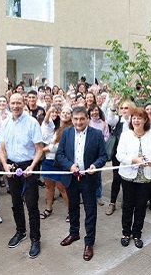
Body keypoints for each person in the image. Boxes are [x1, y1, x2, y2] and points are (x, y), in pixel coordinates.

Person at [55, 106, 108, 261]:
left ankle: (89, 242)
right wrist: (69, 166)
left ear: (87, 119)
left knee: (90, 211)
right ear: (72, 119)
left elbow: (103, 156)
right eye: (76, 119)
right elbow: (60, 154)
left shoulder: (96, 134)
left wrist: (95, 165)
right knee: (72, 207)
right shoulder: (66, 133)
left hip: (89, 180)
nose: (78, 122)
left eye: (82, 119)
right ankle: (74, 233)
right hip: (71, 178)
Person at [0, 93, 44, 259]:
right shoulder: (5, 123)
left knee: (31, 204)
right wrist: (5, 165)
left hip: (29, 167)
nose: (16, 106)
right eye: (13, 103)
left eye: (19, 103)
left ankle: (35, 239)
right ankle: (21, 231)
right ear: (9, 104)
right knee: (15, 202)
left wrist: (32, 167)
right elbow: (1, 149)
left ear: (24, 103)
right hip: (11, 167)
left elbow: (39, 149)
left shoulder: (32, 123)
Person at [115, 107, 151, 249]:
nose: (136, 120)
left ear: (145, 120)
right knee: (128, 206)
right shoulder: (126, 135)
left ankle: (137, 234)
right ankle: (125, 233)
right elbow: (119, 155)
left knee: (141, 207)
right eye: (134, 118)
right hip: (129, 177)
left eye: (139, 118)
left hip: (146, 178)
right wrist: (134, 160)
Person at [105, 100, 136, 216]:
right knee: (117, 177)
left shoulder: (135, 120)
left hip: (132, 155)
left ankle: (126, 201)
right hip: (118, 154)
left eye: (126, 108)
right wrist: (113, 106)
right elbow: (110, 119)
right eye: (122, 108)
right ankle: (112, 203)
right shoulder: (118, 120)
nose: (123, 110)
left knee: (129, 178)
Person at [40, 106, 71, 221]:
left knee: (62, 188)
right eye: (63, 112)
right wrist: (50, 109)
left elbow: (57, 147)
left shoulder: (70, 129)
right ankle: (49, 208)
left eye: (68, 113)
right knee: (48, 186)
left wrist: (40, 151)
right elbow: (46, 122)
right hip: (48, 161)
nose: (65, 114)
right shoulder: (56, 126)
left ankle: (70, 211)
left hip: (58, 162)